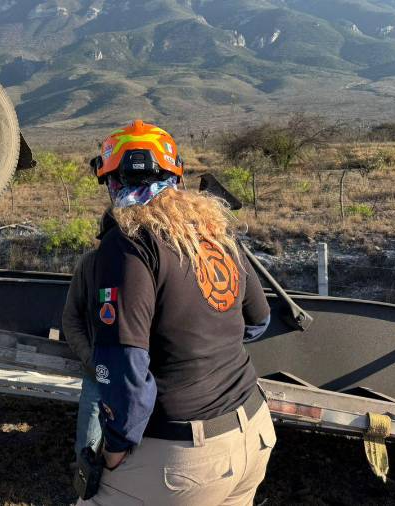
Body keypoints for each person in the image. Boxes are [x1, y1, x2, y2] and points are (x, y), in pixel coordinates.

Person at [77, 120, 275, 506]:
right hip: (252, 430)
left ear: (111, 180)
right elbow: (258, 319)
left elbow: (125, 364)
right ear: (175, 175)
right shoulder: (213, 229)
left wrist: (116, 447)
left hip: (182, 458)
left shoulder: (127, 244)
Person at [63, 249, 101, 457]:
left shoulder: (149, 261)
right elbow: (71, 319)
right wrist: (89, 358)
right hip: (98, 373)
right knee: (87, 451)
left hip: (140, 379)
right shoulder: (90, 263)